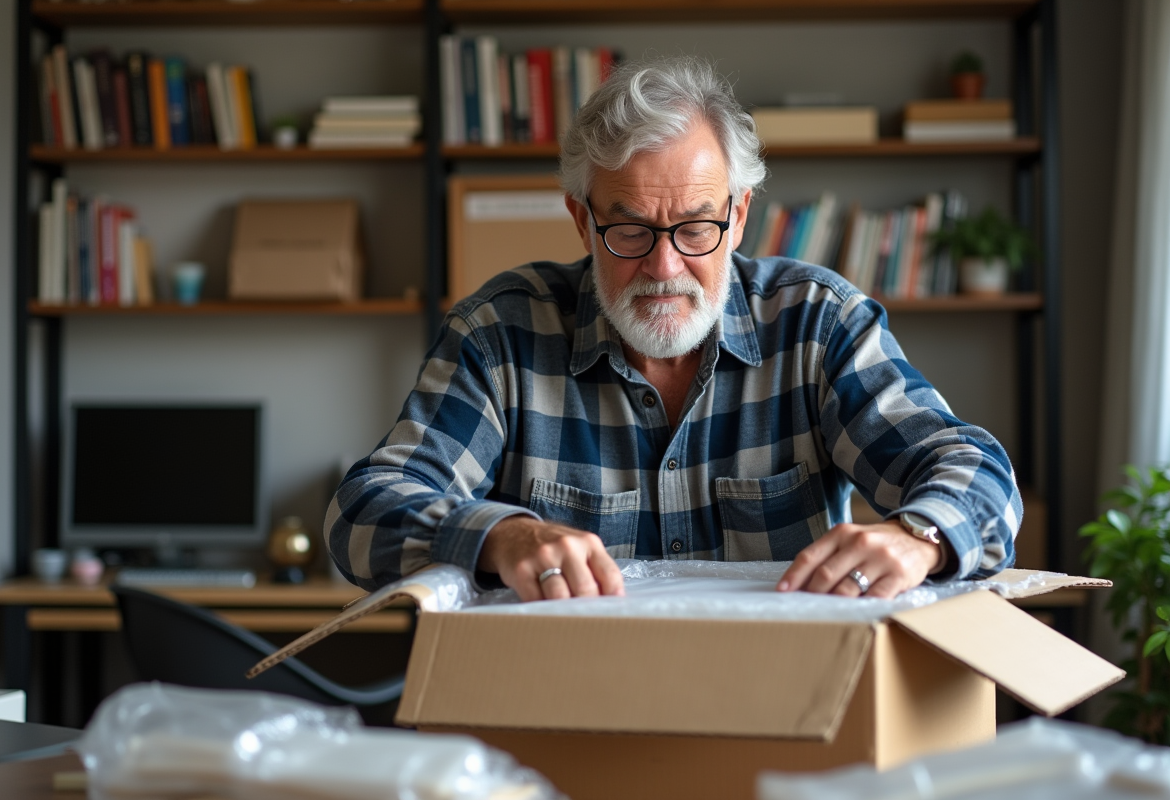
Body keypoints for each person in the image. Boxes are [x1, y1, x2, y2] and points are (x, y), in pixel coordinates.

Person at [325, 55, 1022, 602]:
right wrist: (501, 537)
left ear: (739, 216)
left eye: (695, 228)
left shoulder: (816, 324)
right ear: (582, 220)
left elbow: (977, 470)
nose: (664, 267)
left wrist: (919, 537)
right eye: (628, 229)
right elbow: (362, 514)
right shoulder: (499, 334)